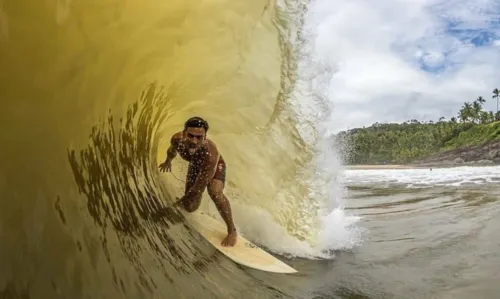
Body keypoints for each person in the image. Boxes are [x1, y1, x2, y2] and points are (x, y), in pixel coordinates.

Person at [158, 117, 238, 247]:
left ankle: (232, 230)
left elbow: (197, 190)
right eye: (190, 135)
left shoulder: (210, 155)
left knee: (214, 192)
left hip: (214, 166)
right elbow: (171, 151)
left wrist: (174, 207)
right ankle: (185, 202)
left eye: (199, 137)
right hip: (196, 165)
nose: (194, 141)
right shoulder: (177, 139)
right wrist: (168, 161)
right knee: (190, 207)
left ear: (205, 137)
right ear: (184, 133)